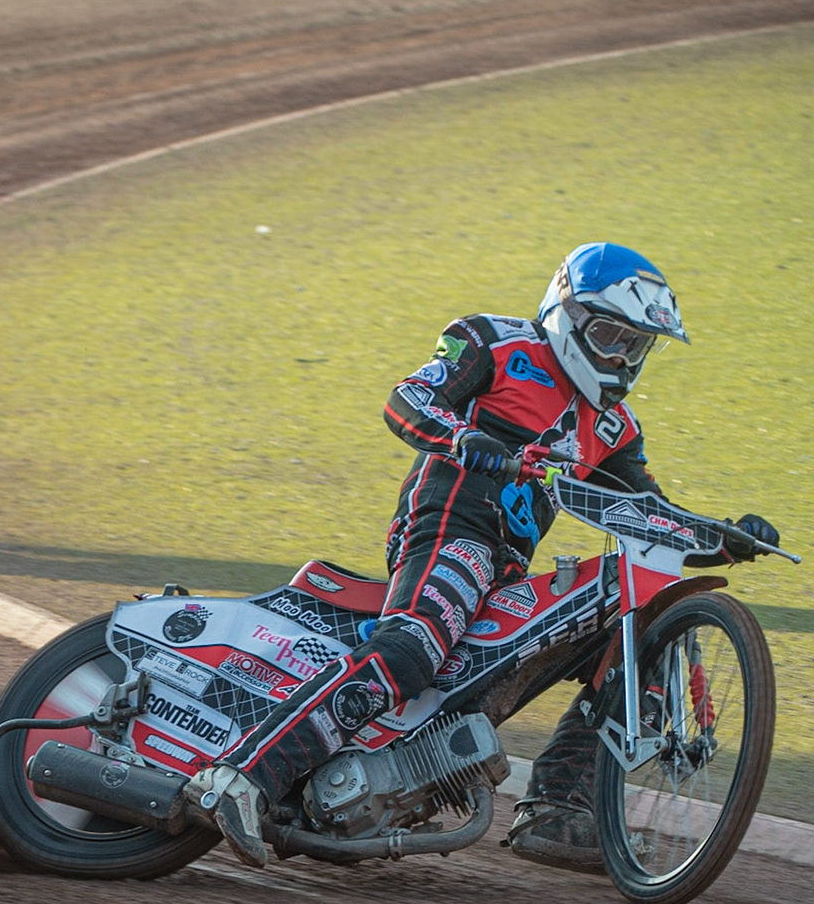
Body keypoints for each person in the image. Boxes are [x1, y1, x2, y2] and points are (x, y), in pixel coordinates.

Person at [182, 242, 778, 871]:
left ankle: (558, 807)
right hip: (449, 527)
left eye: (636, 346)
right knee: (413, 647)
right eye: (609, 336)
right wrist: (469, 439)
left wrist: (724, 538)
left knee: (640, 631)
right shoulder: (496, 343)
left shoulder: (614, 429)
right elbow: (406, 400)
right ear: (567, 313)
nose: (620, 358)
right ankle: (239, 777)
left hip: (507, 571)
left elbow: (650, 513)